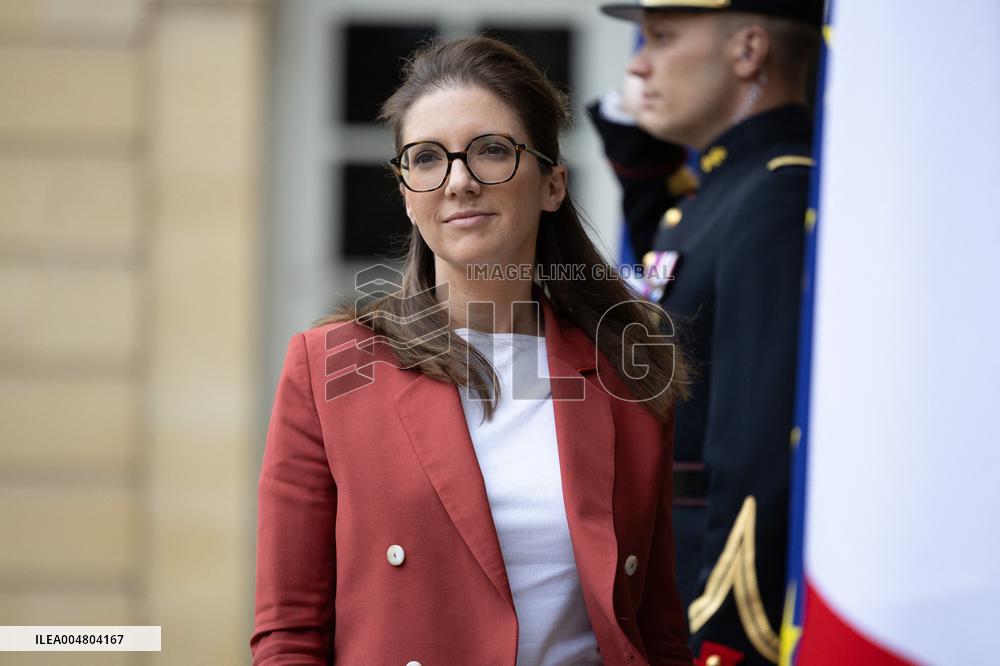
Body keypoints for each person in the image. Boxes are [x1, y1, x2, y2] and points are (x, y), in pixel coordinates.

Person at [251, 36, 694, 665]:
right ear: (407, 193)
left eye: (491, 151)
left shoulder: (627, 367)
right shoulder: (331, 368)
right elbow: (288, 634)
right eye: (426, 158)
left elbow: (657, 629)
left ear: (553, 184)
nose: (458, 182)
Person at [596, 2, 823, 665]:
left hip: (707, 601)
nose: (638, 64)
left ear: (749, 51)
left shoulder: (778, 193)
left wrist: (725, 626)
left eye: (662, 39)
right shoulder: (713, 197)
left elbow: (755, 443)